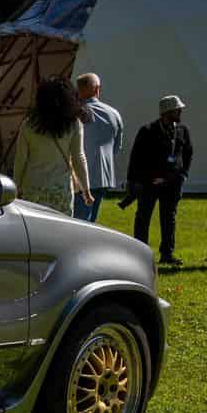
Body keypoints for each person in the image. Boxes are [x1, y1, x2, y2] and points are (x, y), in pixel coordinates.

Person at [124, 94, 193, 267]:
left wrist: (183, 174)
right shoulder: (147, 130)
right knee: (143, 217)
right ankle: (140, 254)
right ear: (167, 111)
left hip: (172, 183)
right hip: (150, 182)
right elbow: (136, 157)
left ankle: (167, 254)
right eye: (177, 110)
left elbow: (188, 152)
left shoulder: (182, 130)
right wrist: (133, 181)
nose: (180, 112)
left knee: (169, 218)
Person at [7, 76, 92, 216]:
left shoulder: (29, 124)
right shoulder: (73, 124)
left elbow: (20, 159)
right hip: (60, 190)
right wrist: (86, 190)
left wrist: (16, 186)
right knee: (60, 227)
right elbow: (78, 158)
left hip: (32, 189)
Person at [73, 72, 124, 222]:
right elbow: (117, 147)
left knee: (79, 222)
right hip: (104, 176)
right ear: (97, 89)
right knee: (90, 222)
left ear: (78, 90)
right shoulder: (114, 113)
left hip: (81, 177)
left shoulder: (76, 113)